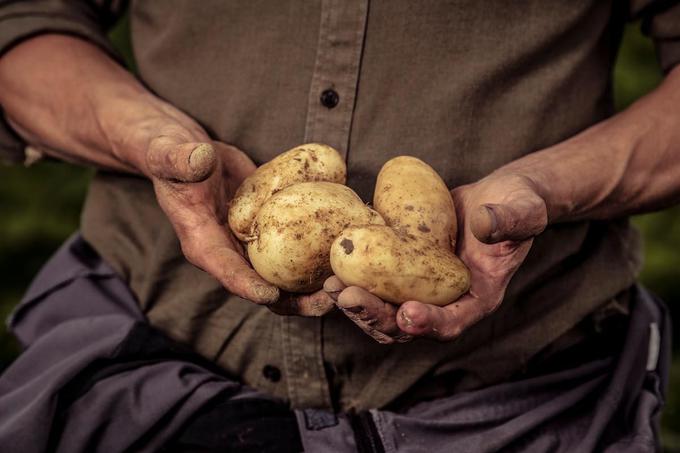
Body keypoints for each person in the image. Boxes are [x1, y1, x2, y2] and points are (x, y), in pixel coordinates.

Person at [0, 1, 679, 451]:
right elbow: (21, 20)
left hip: (525, 399)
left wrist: (547, 188)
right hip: (142, 373)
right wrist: (145, 140)